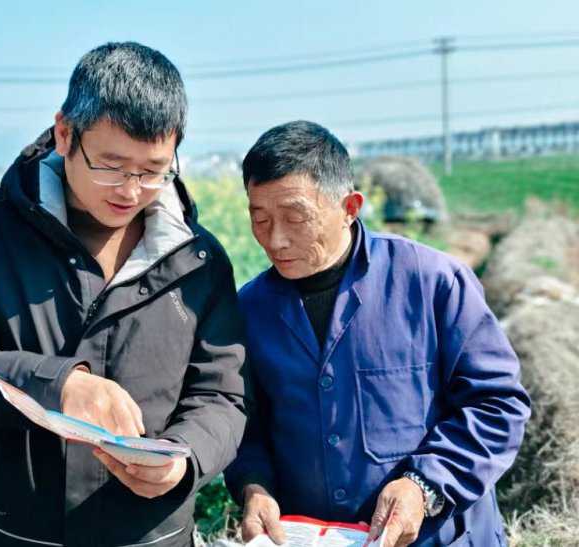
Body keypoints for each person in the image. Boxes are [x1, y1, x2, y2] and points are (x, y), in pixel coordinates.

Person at [0, 42, 246, 547]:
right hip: (15, 532)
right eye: (111, 165)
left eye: (153, 169)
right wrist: (60, 386)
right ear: (65, 133)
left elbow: (222, 394)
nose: (130, 190)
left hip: (151, 535)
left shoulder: (198, 260)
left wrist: (185, 457)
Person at [224, 121, 530, 546]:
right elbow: (245, 425)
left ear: (349, 207)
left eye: (295, 217)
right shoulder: (250, 310)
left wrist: (425, 485)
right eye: (260, 218)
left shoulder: (432, 282)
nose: (275, 239)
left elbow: (497, 403)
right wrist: (253, 486)